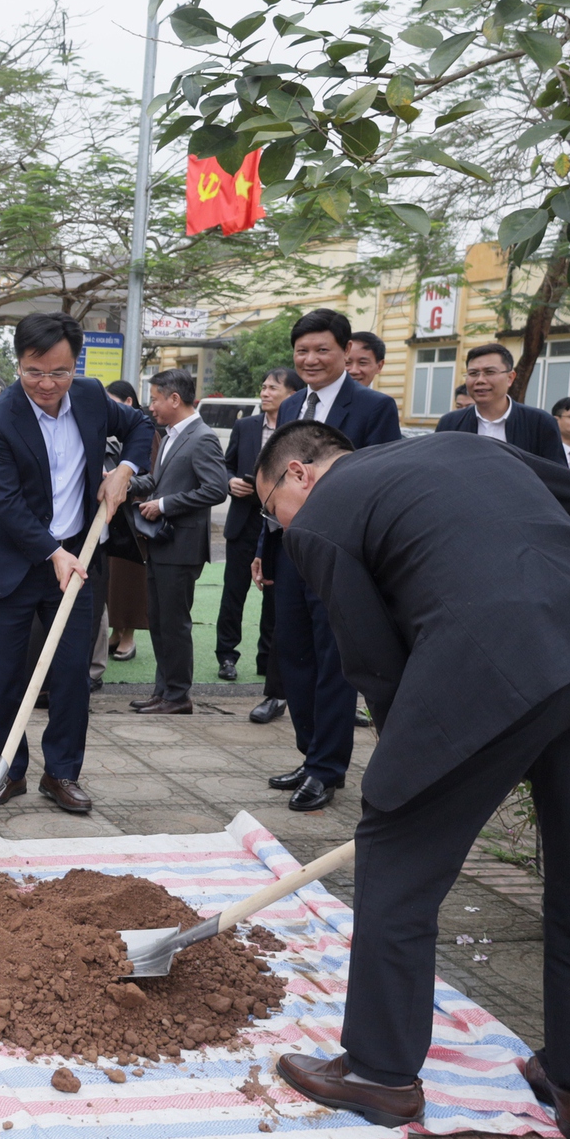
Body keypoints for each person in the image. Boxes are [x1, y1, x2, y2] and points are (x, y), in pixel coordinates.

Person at [256, 424, 570, 1139]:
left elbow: (374, 661)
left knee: (396, 855)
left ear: (299, 476)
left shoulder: (323, 517)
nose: (278, 525)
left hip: (495, 662)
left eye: (268, 506)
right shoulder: (467, 448)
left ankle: (380, 1071)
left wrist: (415, 766)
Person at [0, 312, 153, 814]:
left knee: (74, 673)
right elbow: (6, 504)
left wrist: (126, 471)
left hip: (80, 556)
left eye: (59, 372)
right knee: (7, 677)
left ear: (76, 365)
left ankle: (62, 773)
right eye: (34, 372)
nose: (47, 384)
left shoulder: (92, 396)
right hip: (11, 565)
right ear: (18, 365)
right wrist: (52, 552)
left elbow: (140, 423)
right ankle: (9, 771)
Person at [256, 308, 400, 813]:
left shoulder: (374, 407)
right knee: (293, 654)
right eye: (302, 350)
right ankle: (309, 752)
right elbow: (273, 479)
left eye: (322, 350)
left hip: (341, 555)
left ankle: (327, 768)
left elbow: (381, 481)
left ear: (345, 352)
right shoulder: (292, 403)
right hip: (290, 548)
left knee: (334, 660)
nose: (310, 359)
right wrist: (263, 550)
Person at [127, 367, 226, 715]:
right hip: (161, 543)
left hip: (181, 547)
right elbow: (156, 481)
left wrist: (165, 505)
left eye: (155, 399)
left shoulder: (202, 437)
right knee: (158, 619)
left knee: (174, 623)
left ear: (174, 398)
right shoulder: (169, 435)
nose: (151, 406)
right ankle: (163, 690)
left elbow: (216, 488)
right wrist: (123, 481)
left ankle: (179, 695)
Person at [222, 368, 294, 722]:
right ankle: (226, 655)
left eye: (273, 388)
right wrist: (231, 482)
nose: (265, 392)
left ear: (292, 394)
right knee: (233, 591)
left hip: (280, 524)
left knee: (274, 596)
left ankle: (267, 659)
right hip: (243, 521)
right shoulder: (245, 427)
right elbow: (224, 466)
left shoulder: (294, 431)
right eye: (263, 386)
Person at [435, 342, 563, 461]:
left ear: (510, 378)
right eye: (473, 373)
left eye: (489, 372)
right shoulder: (450, 424)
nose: (480, 380)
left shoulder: (539, 423)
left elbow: (557, 478)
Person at [102, 382, 146, 665]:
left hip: (136, 519)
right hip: (110, 520)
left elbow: (153, 477)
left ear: (128, 402)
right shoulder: (105, 433)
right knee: (112, 584)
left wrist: (122, 479)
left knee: (131, 583)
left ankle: (128, 635)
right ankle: (116, 633)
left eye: (113, 403)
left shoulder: (144, 434)